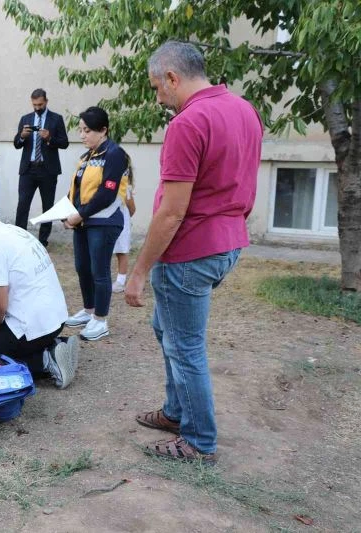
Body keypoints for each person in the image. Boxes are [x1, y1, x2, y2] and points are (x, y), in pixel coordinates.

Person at [126, 41, 263, 464]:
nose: (157, 97)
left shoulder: (188, 123)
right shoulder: (245, 110)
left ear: (172, 78)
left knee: (185, 347)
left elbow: (172, 212)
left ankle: (199, 441)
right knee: (166, 328)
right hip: (227, 242)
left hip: (189, 251)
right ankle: (175, 412)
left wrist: (138, 271)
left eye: (156, 87)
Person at [0, 197, 79, 389]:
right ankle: (55, 344)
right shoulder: (15, 231)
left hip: (32, 326)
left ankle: (45, 359)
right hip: (55, 319)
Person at [62, 106, 130, 341]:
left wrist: (79, 215)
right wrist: (67, 211)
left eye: (87, 130)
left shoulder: (115, 154)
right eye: (80, 130)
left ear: (103, 130)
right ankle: (89, 310)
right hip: (83, 222)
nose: (82, 135)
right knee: (82, 267)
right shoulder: (86, 157)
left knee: (99, 271)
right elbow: (77, 189)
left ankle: (100, 320)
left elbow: (106, 194)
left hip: (104, 222)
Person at [13, 88, 69, 247]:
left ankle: (42, 241)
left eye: (40, 104)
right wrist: (22, 136)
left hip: (47, 170)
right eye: (34, 105)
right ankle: (19, 240)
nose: (37, 108)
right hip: (28, 170)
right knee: (22, 205)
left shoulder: (56, 119)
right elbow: (17, 144)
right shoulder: (26, 118)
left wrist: (49, 138)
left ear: (46, 102)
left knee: (47, 207)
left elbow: (64, 143)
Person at [111, 169, 136, 293]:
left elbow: (132, 208)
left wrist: (126, 218)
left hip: (121, 221)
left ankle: (121, 281)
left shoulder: (125, 187)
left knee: (121, 250)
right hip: (107, 221)